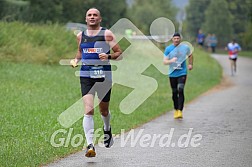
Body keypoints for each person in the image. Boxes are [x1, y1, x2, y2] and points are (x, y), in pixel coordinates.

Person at [70, 8, 122, 157]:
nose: (92, 17)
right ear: (86, 19)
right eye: (89, 15)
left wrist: (108, 56)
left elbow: (119, 54)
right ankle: (90, 145)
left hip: (104, 75)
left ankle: (107, 129)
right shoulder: (80, 36)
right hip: (86, 75)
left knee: (103, 110)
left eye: (95, 15)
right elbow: (80, 53)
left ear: (100, 19)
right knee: (88, 110)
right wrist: (75, 60)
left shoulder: (107, 34)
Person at [163, 33, 193, 119]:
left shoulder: (185, 48)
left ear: (180, 39)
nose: (176, 40)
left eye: (178, 38)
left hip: (182, 73)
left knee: (180, 89)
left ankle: (180, 110)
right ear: (172, 39)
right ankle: (176, 109)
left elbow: (190, 55)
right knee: (174, 92)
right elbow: (164, 61)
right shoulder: (168, 49)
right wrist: (171, 61)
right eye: (175, 38)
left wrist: (190, 64)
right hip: (172, 74)